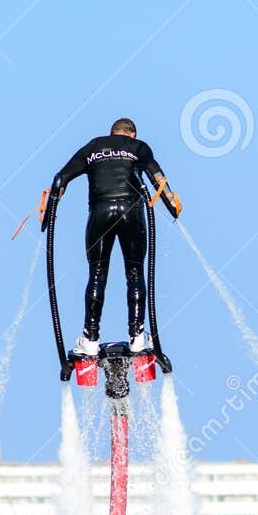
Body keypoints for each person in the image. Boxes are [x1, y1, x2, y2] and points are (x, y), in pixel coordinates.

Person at [42, 118, 182, 357]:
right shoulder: (139, 147)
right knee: (136, 273)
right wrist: (173, 206)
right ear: (133, 134)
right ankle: (138, 337)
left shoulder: (93, 147)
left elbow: (59, 179)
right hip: (132, 212)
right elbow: (158, 178)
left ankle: (90, 339)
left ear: (112, 133)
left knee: (97, 273)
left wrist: (49, 217)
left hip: (100, 213)